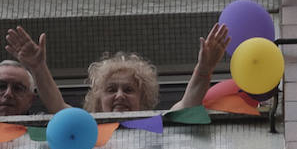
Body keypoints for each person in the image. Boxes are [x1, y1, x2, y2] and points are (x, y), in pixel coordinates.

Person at [81, 23, 229, 113]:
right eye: (111, 89)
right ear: (98, 102)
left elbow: (186, 105)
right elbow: (59, 107)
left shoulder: (156, 128)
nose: (120, 96)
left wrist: (204, 69)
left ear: (143, 100)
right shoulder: (85, 131)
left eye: (129, 90)